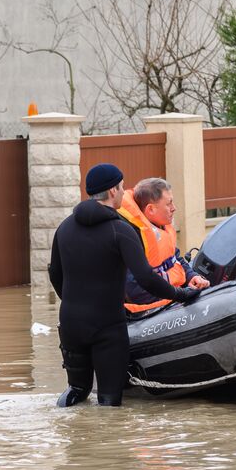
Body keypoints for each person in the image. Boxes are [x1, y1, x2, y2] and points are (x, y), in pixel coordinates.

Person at [48, 163, 201, 407]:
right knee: (109, 402)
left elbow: (55, 274)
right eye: (121, 187)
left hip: (71, 324)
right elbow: (146, 279)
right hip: (107, 327)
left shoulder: (64, 228)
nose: (123, 192)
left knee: (76, 391)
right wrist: (181, 294)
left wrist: (73, 304)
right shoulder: (120, 231)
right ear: (111, 192)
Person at [118, 177, 209, 313]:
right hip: (149, 312)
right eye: (169, 204)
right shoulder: (131, 238)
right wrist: (178, 294)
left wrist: (191, 276)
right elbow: (135, 291)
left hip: (172, 296)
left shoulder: (161, 227)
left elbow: (174, 258)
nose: (174, 208)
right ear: (151, 210)